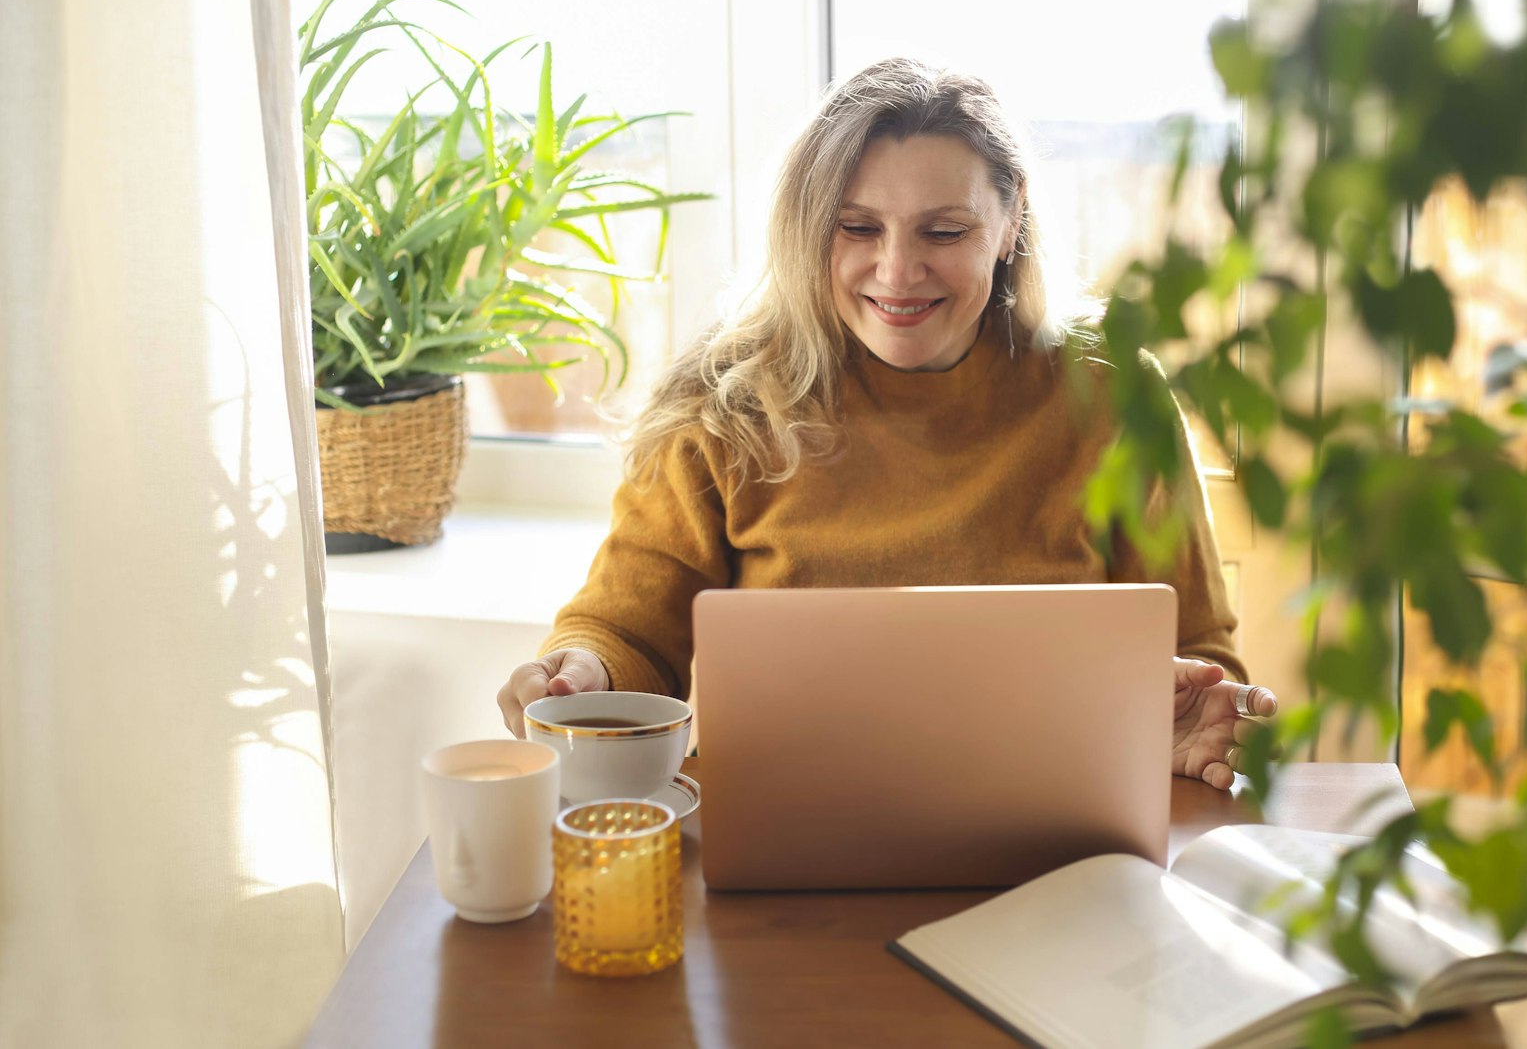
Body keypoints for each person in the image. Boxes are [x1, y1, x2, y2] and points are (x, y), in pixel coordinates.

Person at [496, 57, 1277, 790]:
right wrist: (581, 672)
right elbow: (628, 635)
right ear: (809, 226)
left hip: (1062, 828)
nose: (898, 271)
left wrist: (1190, 717)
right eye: (858, 227)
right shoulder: (723, 405)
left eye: (944, 231)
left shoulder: (1110, 394)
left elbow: (1198, 651)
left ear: (1012, 221)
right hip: (791, 830)